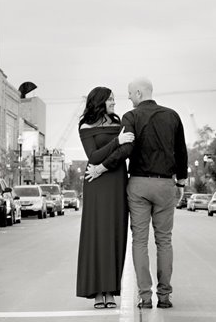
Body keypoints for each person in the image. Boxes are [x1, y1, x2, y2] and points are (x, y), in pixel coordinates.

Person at [85, 78, 188, 309]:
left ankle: (144, 297)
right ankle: (164, 296)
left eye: (130, 94)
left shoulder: (131, 117)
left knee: (139, 241)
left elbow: (126, 149)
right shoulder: (172, 116)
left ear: (139, 93)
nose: (129, 98)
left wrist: (102, 167)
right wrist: (180, 183)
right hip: (165, 185)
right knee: (164, 241)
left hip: (139, 185)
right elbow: (181, 151)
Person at [76, 86, 135, 309]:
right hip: (96, 183)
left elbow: (125, 150)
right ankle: (97, 291)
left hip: (117, 181)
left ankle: (111, 291)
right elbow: (93, 156)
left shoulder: (119, 123)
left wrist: (119, 144)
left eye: (113, 99)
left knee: (115, 235)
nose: (114, 103)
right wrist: (116, 142)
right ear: (99, 102)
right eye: (110, 99)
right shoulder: (86, 126)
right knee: (96, 235)